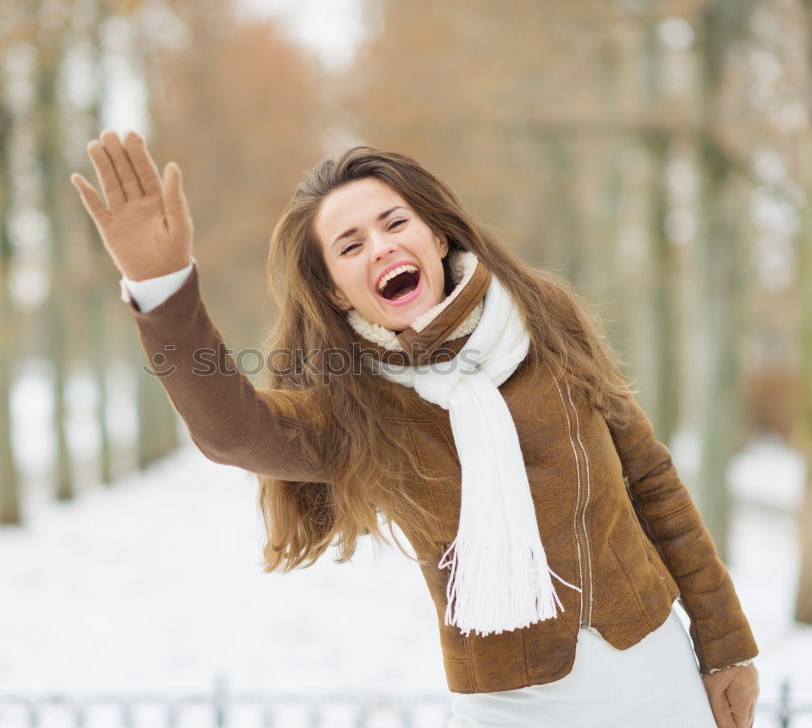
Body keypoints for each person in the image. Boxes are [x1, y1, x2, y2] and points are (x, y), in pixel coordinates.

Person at [70, 130, 760, 728]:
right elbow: (232, 433)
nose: (381, 247)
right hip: (512, 706)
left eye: (394, 223)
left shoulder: (545, 322)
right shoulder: (357, 407)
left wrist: (726, 641)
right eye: (350, 244)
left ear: (434, 233)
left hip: (658, 675)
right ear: (338, 290)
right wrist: (163, 292)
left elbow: (650, 479)